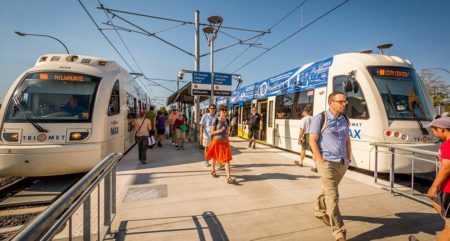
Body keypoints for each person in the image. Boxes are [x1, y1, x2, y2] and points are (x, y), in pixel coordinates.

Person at [309, 92, 351, 241]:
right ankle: (339, 233)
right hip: (326, 162)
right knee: (333, 197)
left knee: (326, 190)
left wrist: (348, 158)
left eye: (345, 102)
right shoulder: (320, 118)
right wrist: (320, 160)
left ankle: (319, 211)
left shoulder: (345, 119)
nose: (344, 104)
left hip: (341, 163)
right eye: (340, 102)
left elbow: (347, 140)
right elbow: (312, 140)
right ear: (331, 102)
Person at [425, 116, 450, 241]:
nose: (432, 132)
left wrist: (433, 186)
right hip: (446, 190)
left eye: (433, 129)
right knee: (436, 202)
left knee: (449, 230)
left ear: (441, 129)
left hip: (449, 190)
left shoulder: (447, 145)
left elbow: (446, 167)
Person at [206, 105, 235, 184]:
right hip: (217, 141)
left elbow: (227, 131)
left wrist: (227, 134)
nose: (224, 112)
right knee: (215, 157)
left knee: (227, 159)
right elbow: (212, 132)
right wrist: (220, 131)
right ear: (219, 111)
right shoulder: (216, 120)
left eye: (225, 110)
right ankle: (213, 170)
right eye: (222, 110)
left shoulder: (227, 120)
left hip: (225, 142)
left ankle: (229, 177)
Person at [295, 107, 317, 172]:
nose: (302, 113)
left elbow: (302, 130)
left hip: (306, 135)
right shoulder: (314, 118)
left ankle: (300, 162)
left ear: (305, 112)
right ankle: (314, 166)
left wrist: (299, 138)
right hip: (313, 134)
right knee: (313, 150)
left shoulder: (303, 119)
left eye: (302, 112)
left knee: (303, 149)